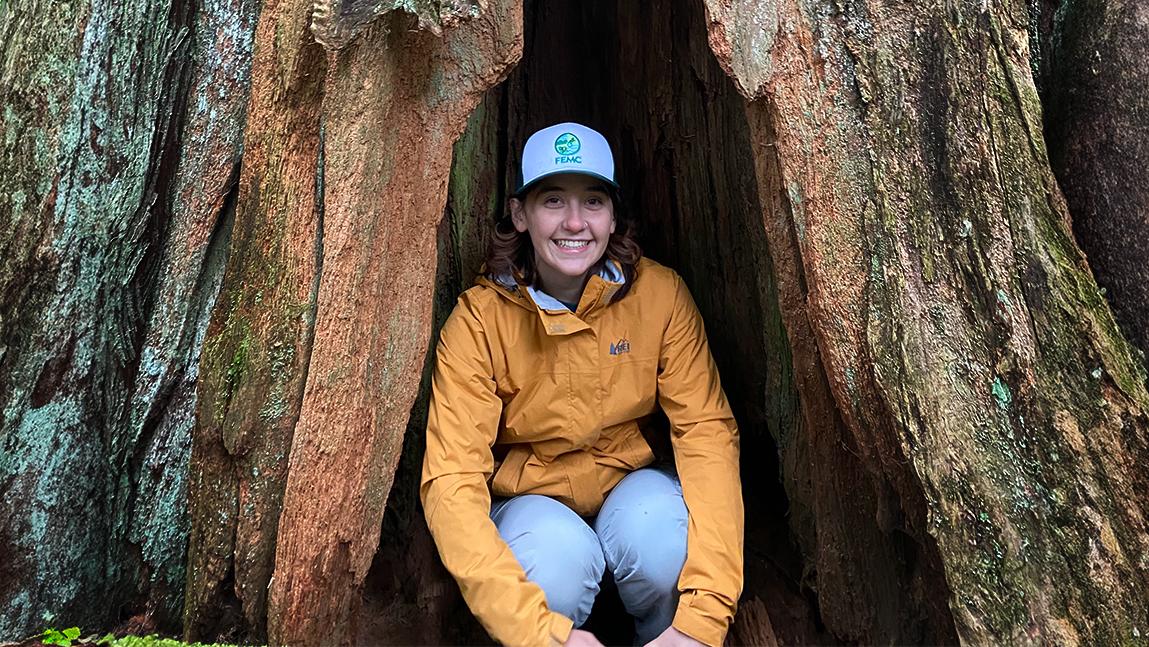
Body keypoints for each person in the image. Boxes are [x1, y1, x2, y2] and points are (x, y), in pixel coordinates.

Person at [421, 122, 743, 647]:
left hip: (630, 483)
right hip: (531, 500)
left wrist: (703, 621)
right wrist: (539, 635)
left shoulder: (659, 297)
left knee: (664, 542)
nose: (575, 222)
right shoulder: (479, 320)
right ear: (521, 214)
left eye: (592, 201)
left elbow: (707, 436)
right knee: (553, 568)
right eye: (553, 200)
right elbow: (451, 482)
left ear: (613, 216)